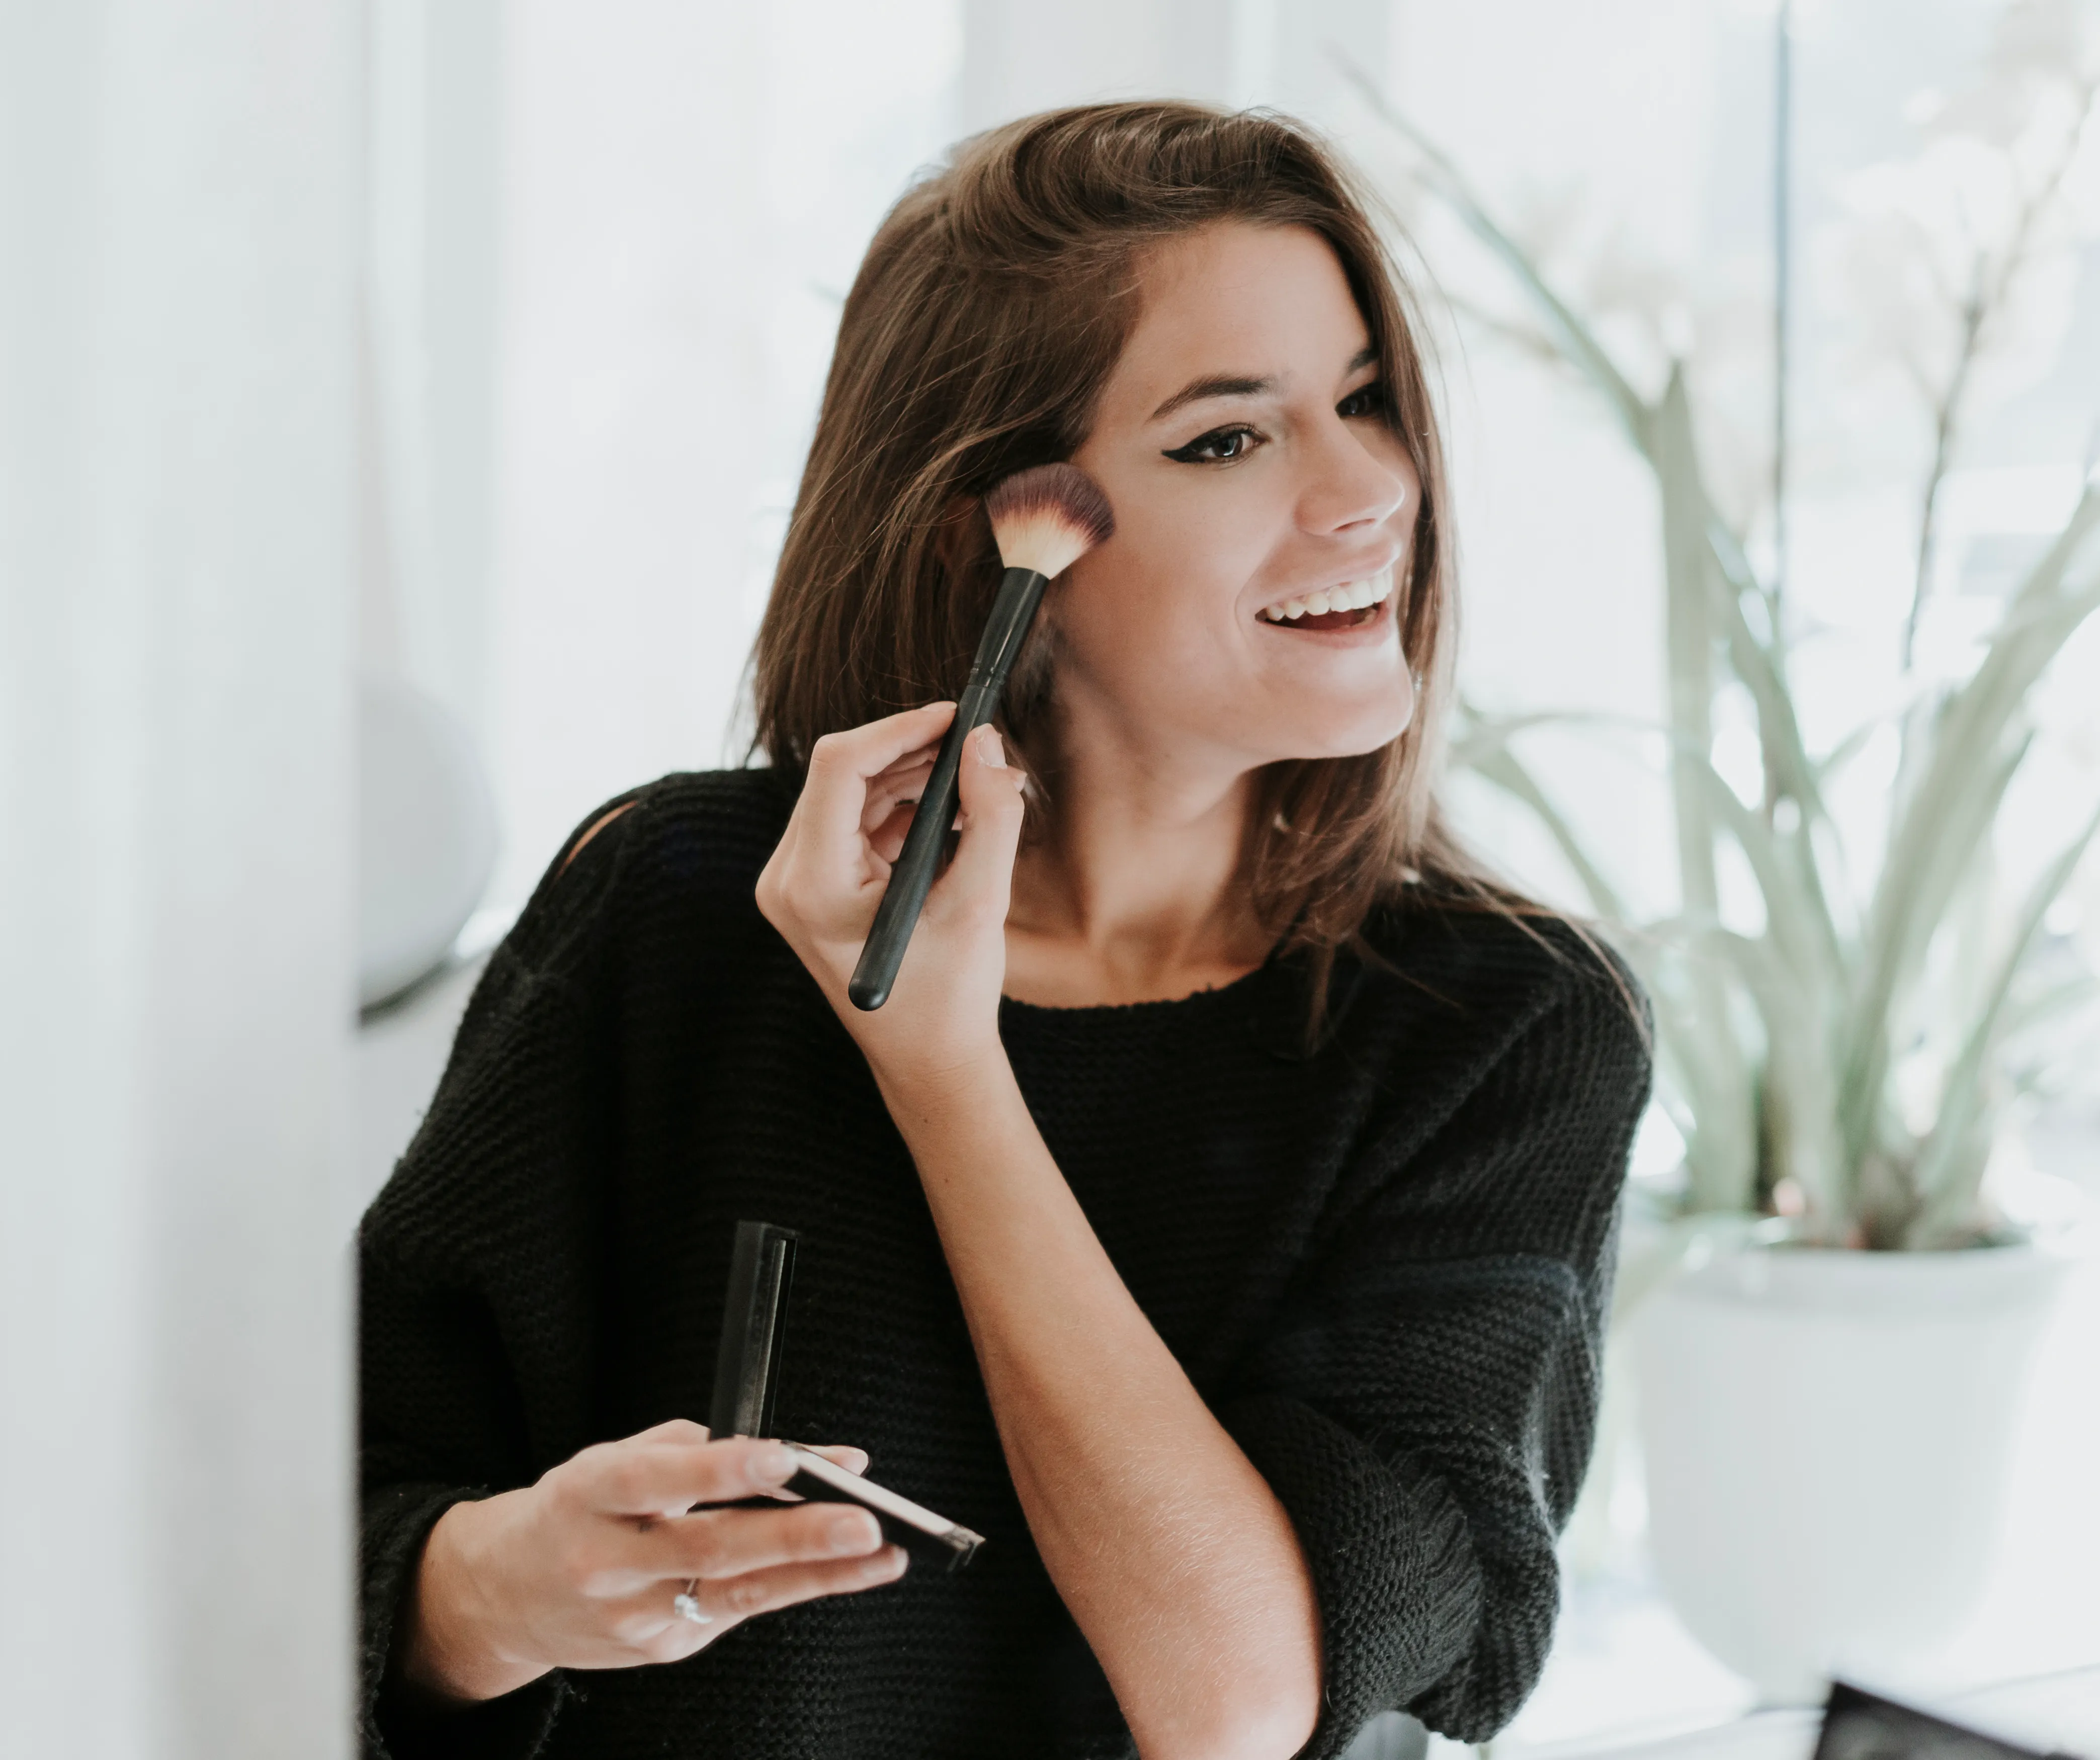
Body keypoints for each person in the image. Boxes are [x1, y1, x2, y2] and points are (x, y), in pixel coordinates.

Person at [358, 100, 1651, 1760]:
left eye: (1365, 400)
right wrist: (501, 1591)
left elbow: (1240, 1699)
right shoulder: (673, 905)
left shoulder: (1503, 1029)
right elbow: (326, 1516)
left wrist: (947, 1077)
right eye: (1227, 440)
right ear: (1002, 535)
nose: (1372, 491)